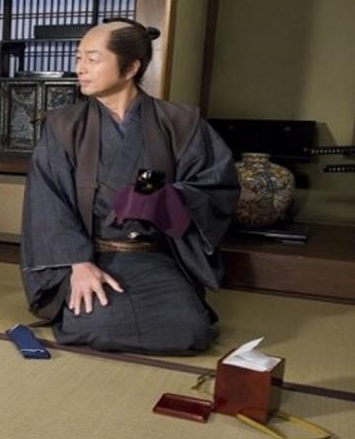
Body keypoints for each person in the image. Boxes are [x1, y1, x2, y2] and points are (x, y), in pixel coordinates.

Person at [20, 20, 240, 355]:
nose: (80, 68)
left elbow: (215, 188)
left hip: (155, 256)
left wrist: (165, 199)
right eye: (78, 58)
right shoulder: (63, 126)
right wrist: (77, 264)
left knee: (189, 331)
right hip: (88, 255)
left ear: (131, 68)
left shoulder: (180, 122)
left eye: (92, 59)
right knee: (96, 323)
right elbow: (48, 202)